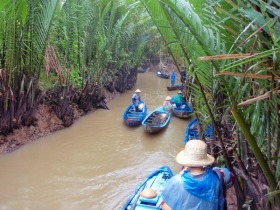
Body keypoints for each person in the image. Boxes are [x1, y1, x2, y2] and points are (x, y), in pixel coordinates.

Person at [162, 139, 234, 210]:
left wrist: (180, 175)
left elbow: (166, 203)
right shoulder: (218, 176)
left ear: (186, 161)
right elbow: (230, 177)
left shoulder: (176, 181)